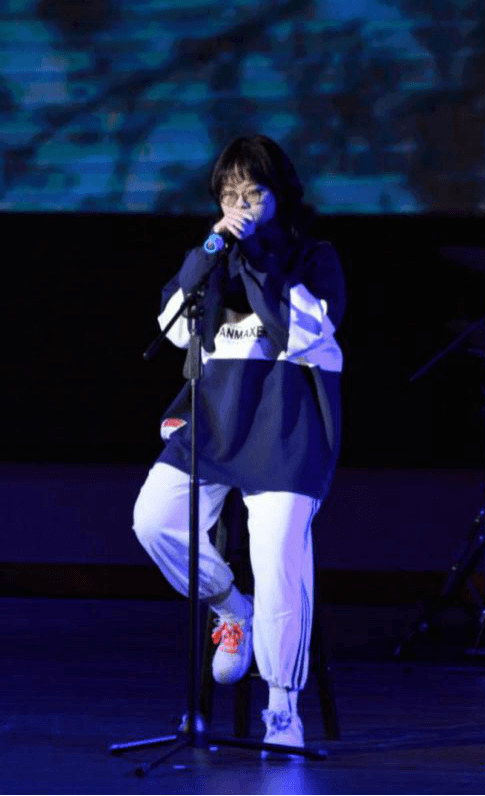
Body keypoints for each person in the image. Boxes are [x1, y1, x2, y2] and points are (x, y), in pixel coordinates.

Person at [133, 134, 346, 752]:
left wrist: (254, 259)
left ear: (280, 196)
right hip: (215, 424)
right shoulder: (214, 261)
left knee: (277, 554)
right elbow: (174, 331)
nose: (241, 206)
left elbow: (297, 331)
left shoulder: (314, 258)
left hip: (285, 431)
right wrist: (208, 253)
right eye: (230, 195)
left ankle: (282, 710)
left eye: (253, 193)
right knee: (153, 520)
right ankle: (231, 607)